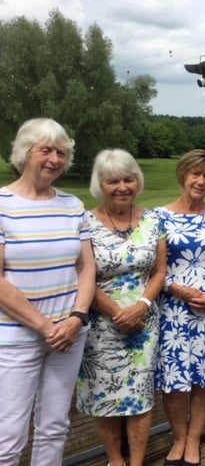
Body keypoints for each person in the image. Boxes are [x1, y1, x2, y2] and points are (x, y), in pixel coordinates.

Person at [0, 118, 95, 465]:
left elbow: (87, 268)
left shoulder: (72, 205)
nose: (55, 159)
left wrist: (76, 318)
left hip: (69, 336)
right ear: (25, 153)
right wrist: (45, 327)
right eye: (46, 150)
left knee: (55, 427)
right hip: (15, 338)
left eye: (61, 152)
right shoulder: (2, 204)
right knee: (8, 437)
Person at [76, 149, 167, 466]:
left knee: (140, 395)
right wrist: (117, 312)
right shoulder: (85, 222)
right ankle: (115, 459)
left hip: (144, 325)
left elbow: (159, 272)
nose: (122, 187)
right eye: (113, 181)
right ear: (101, 185)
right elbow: (83, 274)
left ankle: (137, 461)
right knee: (105, 395)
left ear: (137, 181)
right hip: (102, 324)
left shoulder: (154, 220)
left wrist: (141, 306)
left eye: (128, 179)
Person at [155, 150, 205, 466]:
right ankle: (178, 437)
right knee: (174, 378)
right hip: (174, 312)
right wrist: (175, 287)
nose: (201, 181)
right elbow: (154, 267)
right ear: (183, 175)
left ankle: (194, 439)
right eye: (195, 174)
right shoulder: (158, 217)